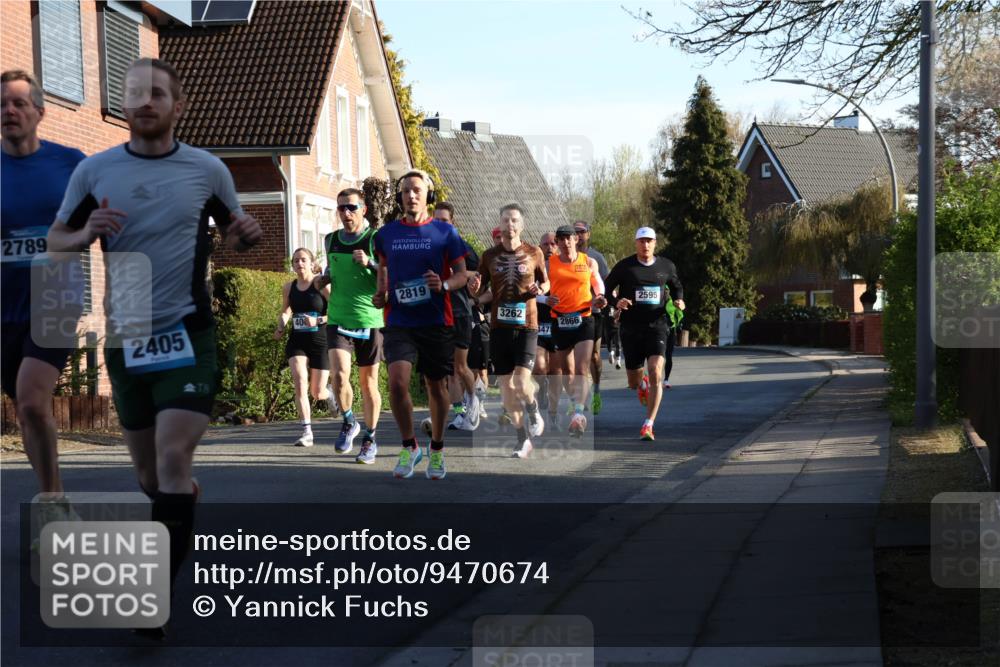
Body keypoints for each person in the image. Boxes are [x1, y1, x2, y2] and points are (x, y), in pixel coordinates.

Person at [47, 58, 263, 637]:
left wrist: (247, 234)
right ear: (123, 105)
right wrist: (84, 234)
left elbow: (241, 228)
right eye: (135, 93)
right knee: (149, 475)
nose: (145, 101)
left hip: (189, 334)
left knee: (171, 457)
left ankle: (151, 600)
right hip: (128, 339)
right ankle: (178, 500)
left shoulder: (206, 168)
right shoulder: (94, 172)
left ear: (178, 105)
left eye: (157, 93)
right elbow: (56, 240)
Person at [1, 70, 86, 525]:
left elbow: (106, 222)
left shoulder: (71, 164)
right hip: (4, 309)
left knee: (32, 399)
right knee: (25, 409)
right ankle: (53, 493)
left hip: (55, 301)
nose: (9, 111)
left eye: (18, 103)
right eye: (1, 105)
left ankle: (51, 506)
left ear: (39, 112)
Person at [372, 170, 468, 480]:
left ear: (427, 195)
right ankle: (409, 445)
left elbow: (462, 274)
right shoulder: (385, 235)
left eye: (416, 190)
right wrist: (380, 293)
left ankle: (437, 449)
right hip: (399, 320)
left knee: (435, 387)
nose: (411, 195)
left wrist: (443, 284)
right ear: (399, 197)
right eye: (405, 191)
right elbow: (383, 271)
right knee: (397, 383)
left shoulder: (445, 233)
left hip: (436, 320)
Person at [315, 188, 384, 462]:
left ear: (363, 210)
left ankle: (370, 439)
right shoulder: (330, 240)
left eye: (352, 207)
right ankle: (348, 420)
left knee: (368, 384)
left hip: (369, 319)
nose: (346, 213)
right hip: (339, 316)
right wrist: (323, 280)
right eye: (341, 208)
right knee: (339, 374)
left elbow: (388, 270)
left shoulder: (375, 239)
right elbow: (331, 271)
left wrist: (370, 263)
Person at [476, 204, 548, 458]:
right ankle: (522, 438)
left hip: (527, 325)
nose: (510, 225)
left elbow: (545, 281)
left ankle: (533, 409)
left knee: (520, 381)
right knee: (507, 390)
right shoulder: (488, 256)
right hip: (499, 328)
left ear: (522, 225)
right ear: (500, 223)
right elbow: (482, 289)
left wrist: (541, 289)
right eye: (505, 220)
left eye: (514, 220)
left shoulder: (534, 252)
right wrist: (476, 291)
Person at [603, 227, 684, 441]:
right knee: (633, 382)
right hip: (630, 328)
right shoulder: (625, 267)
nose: (645, 245)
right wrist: (616, 301)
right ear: (636, 243)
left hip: (657, 325)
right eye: (641, 241)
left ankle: (648, 424)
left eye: (649, 241)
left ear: (655, 243)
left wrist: (678, 300)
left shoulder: (666, 265)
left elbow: (676, 286)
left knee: (656, 370)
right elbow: (606, 288)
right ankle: (642, 385)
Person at [547, 225, 606, 437]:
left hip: (583, 318)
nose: (564, 243)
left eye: (568, 238)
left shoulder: (588, 261)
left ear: (575, 240)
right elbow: (543, 285)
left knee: (582, 368)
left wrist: (599, 296)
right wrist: (545, 297)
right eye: (560, 239)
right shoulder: (550, 263)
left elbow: (598, 284)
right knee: (566, 371)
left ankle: (578, 414)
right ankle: (576, 403)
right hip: (560, 320)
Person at [432, 201, 481, 431]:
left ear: (453, 223)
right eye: (436, 220)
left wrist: (457, 274)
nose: (440, 224)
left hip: (460, 311)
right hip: (437, 314)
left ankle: (474, 400)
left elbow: (479, 274)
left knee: (460, 367)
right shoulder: (428, 246)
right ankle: (460, 413)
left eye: (444, 220)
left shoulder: (463, 247)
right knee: (448, 371)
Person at [274, 248, 330, 448]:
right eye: (296, 261)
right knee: (299, 383)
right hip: (297, 341)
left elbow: (337, 312)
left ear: (311, 262)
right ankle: (307, 431)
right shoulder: (289, 287)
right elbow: (286, 310)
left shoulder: (320, 283)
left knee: (317, 392)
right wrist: (282, 323)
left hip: (320, 342)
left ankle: (329, 395)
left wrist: (318, 319)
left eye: (303, 260)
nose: (299, 264)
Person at [573, 220, 610, 415]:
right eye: (575, 232)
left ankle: (596, 391)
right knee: (575, 359)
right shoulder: (565, 256)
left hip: (593, 313)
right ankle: (579, 397)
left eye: (581, 231)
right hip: (571, 313)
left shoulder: (596, 258)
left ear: (588, 234)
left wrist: (601, 300)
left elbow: (606, 284)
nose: (578, 235)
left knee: (593, 356)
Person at [532, 232, 558, 418]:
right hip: (538, 320)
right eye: (546, 244)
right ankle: (541, 387)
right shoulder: (533, 267)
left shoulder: (564, 266)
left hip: (559, 321)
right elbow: (527, 292)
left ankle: (553, 410)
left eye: (553, 243)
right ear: (540, 247)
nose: (550, 247)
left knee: (556, 369)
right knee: (540, 367)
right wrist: (543, 298)